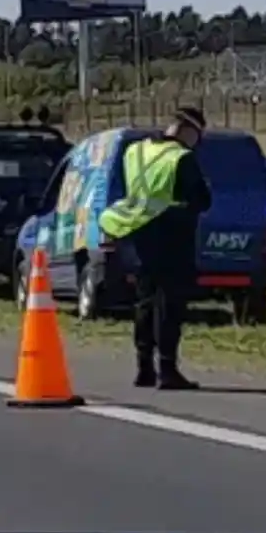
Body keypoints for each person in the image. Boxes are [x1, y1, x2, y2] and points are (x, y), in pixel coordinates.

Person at [98, 107, 213, 391]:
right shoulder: (181, 158)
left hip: (139, 233)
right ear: (189, 131)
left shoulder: (135, 151)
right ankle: (168, 369)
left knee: (144, 301)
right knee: (169, 304)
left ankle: (144, 368)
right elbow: (202, 199)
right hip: (172, 235)